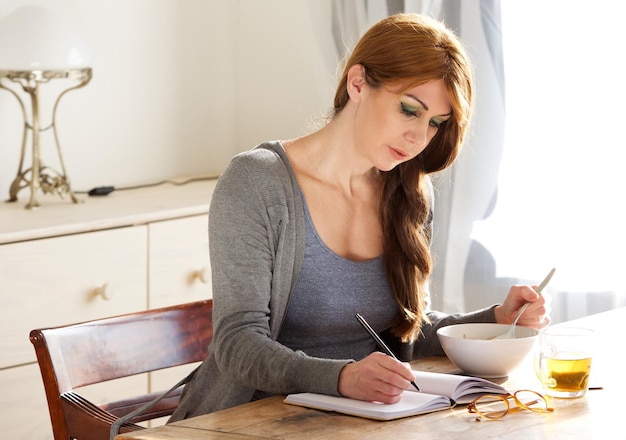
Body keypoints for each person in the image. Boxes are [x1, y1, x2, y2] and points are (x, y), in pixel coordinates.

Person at [169, 12, 550, 421]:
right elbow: (237, 344)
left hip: (359, 423)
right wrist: (341, 377)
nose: (419, 138)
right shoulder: (257, 182)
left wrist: (493, 321)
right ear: (358, 84)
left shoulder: (409, 193)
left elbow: (403, 329)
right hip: (246, 423)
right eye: (409, 110)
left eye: (435, 123)